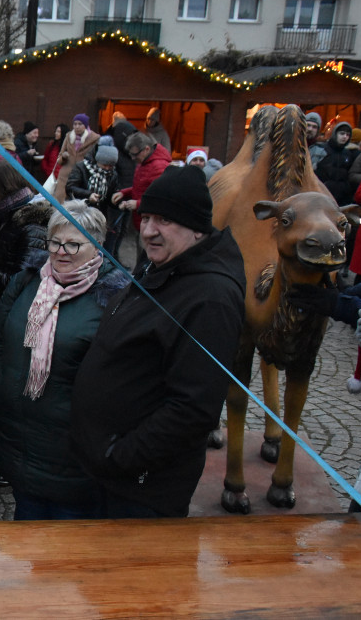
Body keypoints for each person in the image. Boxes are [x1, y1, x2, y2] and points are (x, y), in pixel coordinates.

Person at [71, 165, 246, 518]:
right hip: (107, 472)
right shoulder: (163, 264)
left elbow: (194, 409)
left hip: (140, 489)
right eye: (146, 217)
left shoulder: (211, 297)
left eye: (164, 220)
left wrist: (120, 457)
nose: (148, 231)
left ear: (197, 229)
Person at [0, 201, 128, 520]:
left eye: (74, 243)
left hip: (72, 456)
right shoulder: (29, 280)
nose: (61, 251)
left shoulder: (113, 298)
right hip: (19, 443)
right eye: (55, 242)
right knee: (26, 535)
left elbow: (121, 377)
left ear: (98, 245)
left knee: (65, 554)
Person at [0, 159, 51, 317]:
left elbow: (23, 281)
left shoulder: (34, 224)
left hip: (14, 313)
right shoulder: (4, 217)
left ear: (6, 190)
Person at [67, 135, 122, 256]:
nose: (107, 168)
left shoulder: (113, 174)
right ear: (97, 160)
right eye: (104, 165)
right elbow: (70, 188)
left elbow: (110, 196)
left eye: (110, 166)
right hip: (79, 213)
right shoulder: (81, 167)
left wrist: (116, 200)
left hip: (99, 217)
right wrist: (88, 196)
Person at [111, 131, 171, 233]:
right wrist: (124, 193)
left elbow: (163, 198)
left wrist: (138, 204)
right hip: (143, 223)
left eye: (135, 154)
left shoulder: (160, 167)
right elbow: (143, 186)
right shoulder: (143, 161)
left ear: (146, 149)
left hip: (153, 226)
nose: (133, 158)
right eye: (131, 154)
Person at [52, 114, 100, 203]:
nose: (77, 127)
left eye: (80, 124)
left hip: (83, 176)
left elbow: (96, 159)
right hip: (65, 176)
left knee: (78, 205)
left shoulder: (95, 139)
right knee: (59, 205)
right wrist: (64, 157)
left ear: (85, 125)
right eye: (75, 124)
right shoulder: (68, 136)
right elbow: (59, 159)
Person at [316, 122, 356, 205]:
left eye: (348, 135)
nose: (345, 137)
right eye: (342, 133)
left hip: (341, 199)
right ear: (335, 134)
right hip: (320, 195)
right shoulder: (321, 149)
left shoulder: (348, 154)